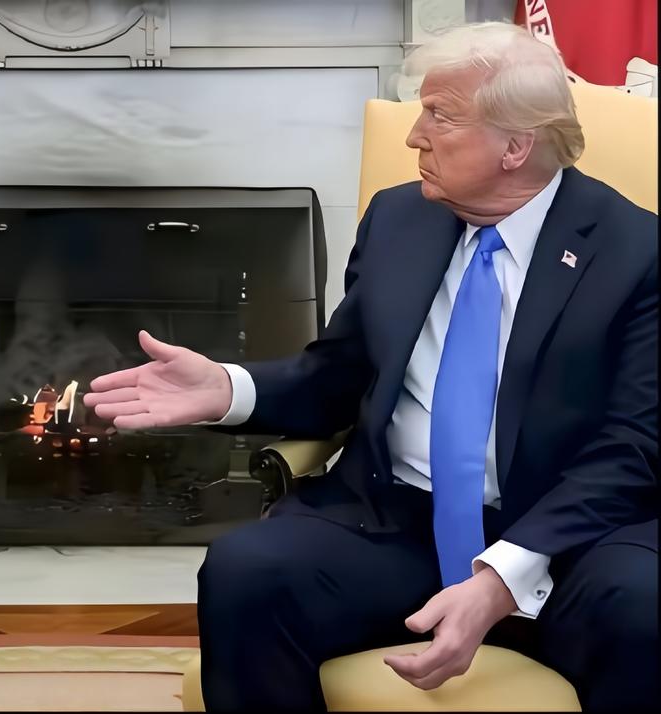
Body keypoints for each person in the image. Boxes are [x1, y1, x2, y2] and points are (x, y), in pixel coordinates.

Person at [84, 22, 656, 712]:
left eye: (440, 116)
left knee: (642, 607)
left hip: (570, 536)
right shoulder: (398, 219)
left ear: (515, 146)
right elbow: (339, 376)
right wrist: (229, 389)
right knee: (247, 571)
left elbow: (633, 448)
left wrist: (502, 576)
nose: (414, 136)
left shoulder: (635, 252)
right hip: (396, 519)